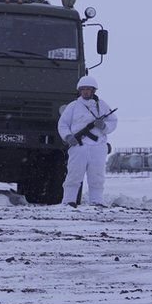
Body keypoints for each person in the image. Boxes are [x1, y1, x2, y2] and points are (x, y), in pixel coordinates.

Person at [57, 75, 118, 207]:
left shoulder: (102, 105)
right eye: (83, 89)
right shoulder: (73, 106)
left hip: (98, 147)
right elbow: (63, 124)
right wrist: (68, 137)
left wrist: (104, 126)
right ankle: (69, 201)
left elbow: (113, 121)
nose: (85, 92)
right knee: (74, 175)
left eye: (88, 89)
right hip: (79, 146)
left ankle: (96, 201)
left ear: (93, 91)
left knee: (97, 177)